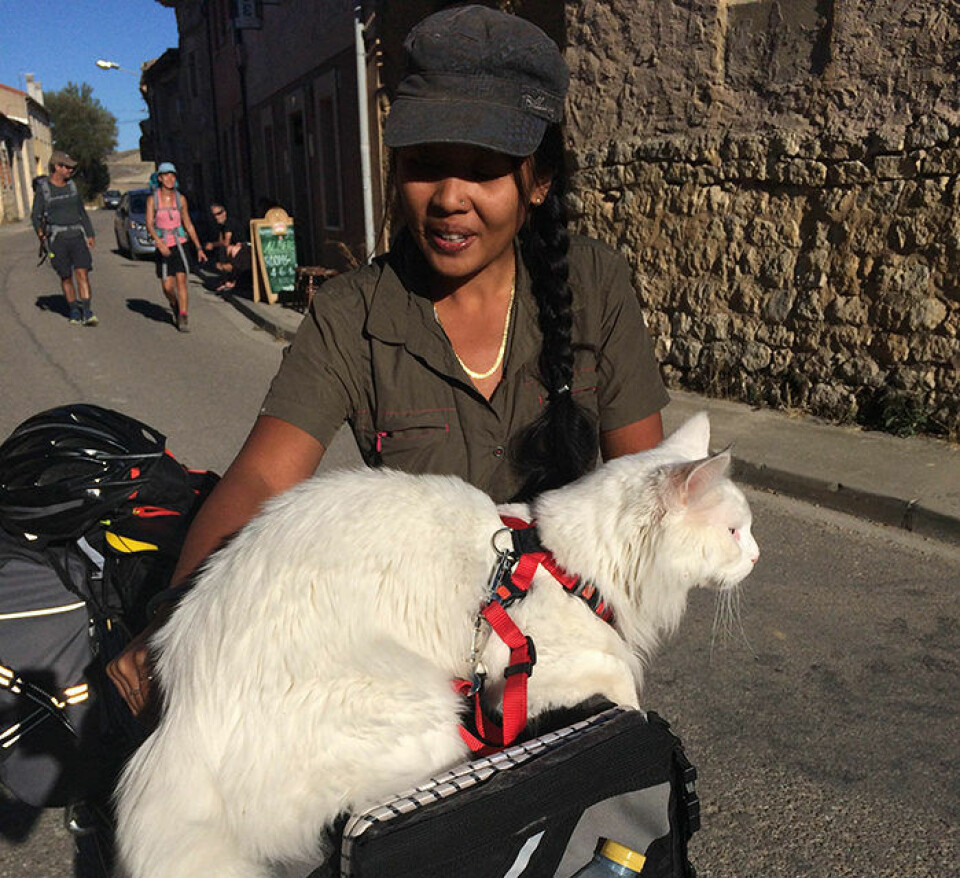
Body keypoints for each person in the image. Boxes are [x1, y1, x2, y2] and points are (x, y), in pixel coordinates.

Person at [110, 3, 667, 708]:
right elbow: (260, 479)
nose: (449, 200)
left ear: (538, 181)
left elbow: (643, 495)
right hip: (423, 669)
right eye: (426, 166)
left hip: (571, 663)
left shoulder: (595, 285)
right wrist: (174, 624)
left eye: (485, 171)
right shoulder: (351, 314)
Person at [31, 151, 98, 326]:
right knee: (66, 276)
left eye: (71, 167)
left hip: (76, 236)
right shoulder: (44, 189)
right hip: (57, 239)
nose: (70, 170)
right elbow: (35, 215)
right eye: (67, 167)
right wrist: (41, 234)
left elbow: (81, 212)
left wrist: (90, 233)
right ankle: (74, 310)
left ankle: (87, 310)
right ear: (56, 167)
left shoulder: (72, 187)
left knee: (82, 273)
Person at [145, 162, 207, 332]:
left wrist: (199, 247)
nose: (170, 179)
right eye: (166, 175)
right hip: (163, 245)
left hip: (181, 244)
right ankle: (174, 304)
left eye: (173, 175)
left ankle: (183, 315)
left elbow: (188, 224)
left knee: (182, 282)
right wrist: (159, 243)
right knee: (167, 286)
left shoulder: (180, 199)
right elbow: (149, 224)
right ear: (160, 178)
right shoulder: (153, 199)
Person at [203, 201, 242, 283]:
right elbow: (220, 241)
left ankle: (233, 280)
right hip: (233, 250)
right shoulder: (221, 225)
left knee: (226, 251)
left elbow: (226, 242)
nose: (217, 217)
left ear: (224, 212)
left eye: (219, 213)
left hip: (240, 249)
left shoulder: (229, 223)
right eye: (214, 215)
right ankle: (228, 279)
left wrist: (212, 245)